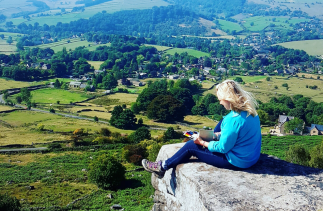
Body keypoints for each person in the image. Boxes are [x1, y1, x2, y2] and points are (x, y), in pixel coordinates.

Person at [142, 80, 262, 178]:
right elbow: (237, 134)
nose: (220, 102)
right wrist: (216, 136)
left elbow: (223, 148)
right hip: (251, 158)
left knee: (191, 146)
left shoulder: (232, 120)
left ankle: (162, 167)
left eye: (220, 99)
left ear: (228, 98)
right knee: (222, 122)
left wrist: (202, 143)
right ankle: (209, 137)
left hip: (238, 161)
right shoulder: (250, 112)